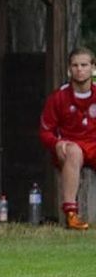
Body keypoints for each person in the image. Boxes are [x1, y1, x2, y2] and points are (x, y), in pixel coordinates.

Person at [39, 47, 96, 230]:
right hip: (70, 147)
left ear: (93, 68)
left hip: (93, 145)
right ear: (69, 69)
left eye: (84, 65)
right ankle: (71, 214)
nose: (80, 69)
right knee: (74, 152)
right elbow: (45, 132)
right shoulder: (58, 97)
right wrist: (57, 143)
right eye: (75, 65)